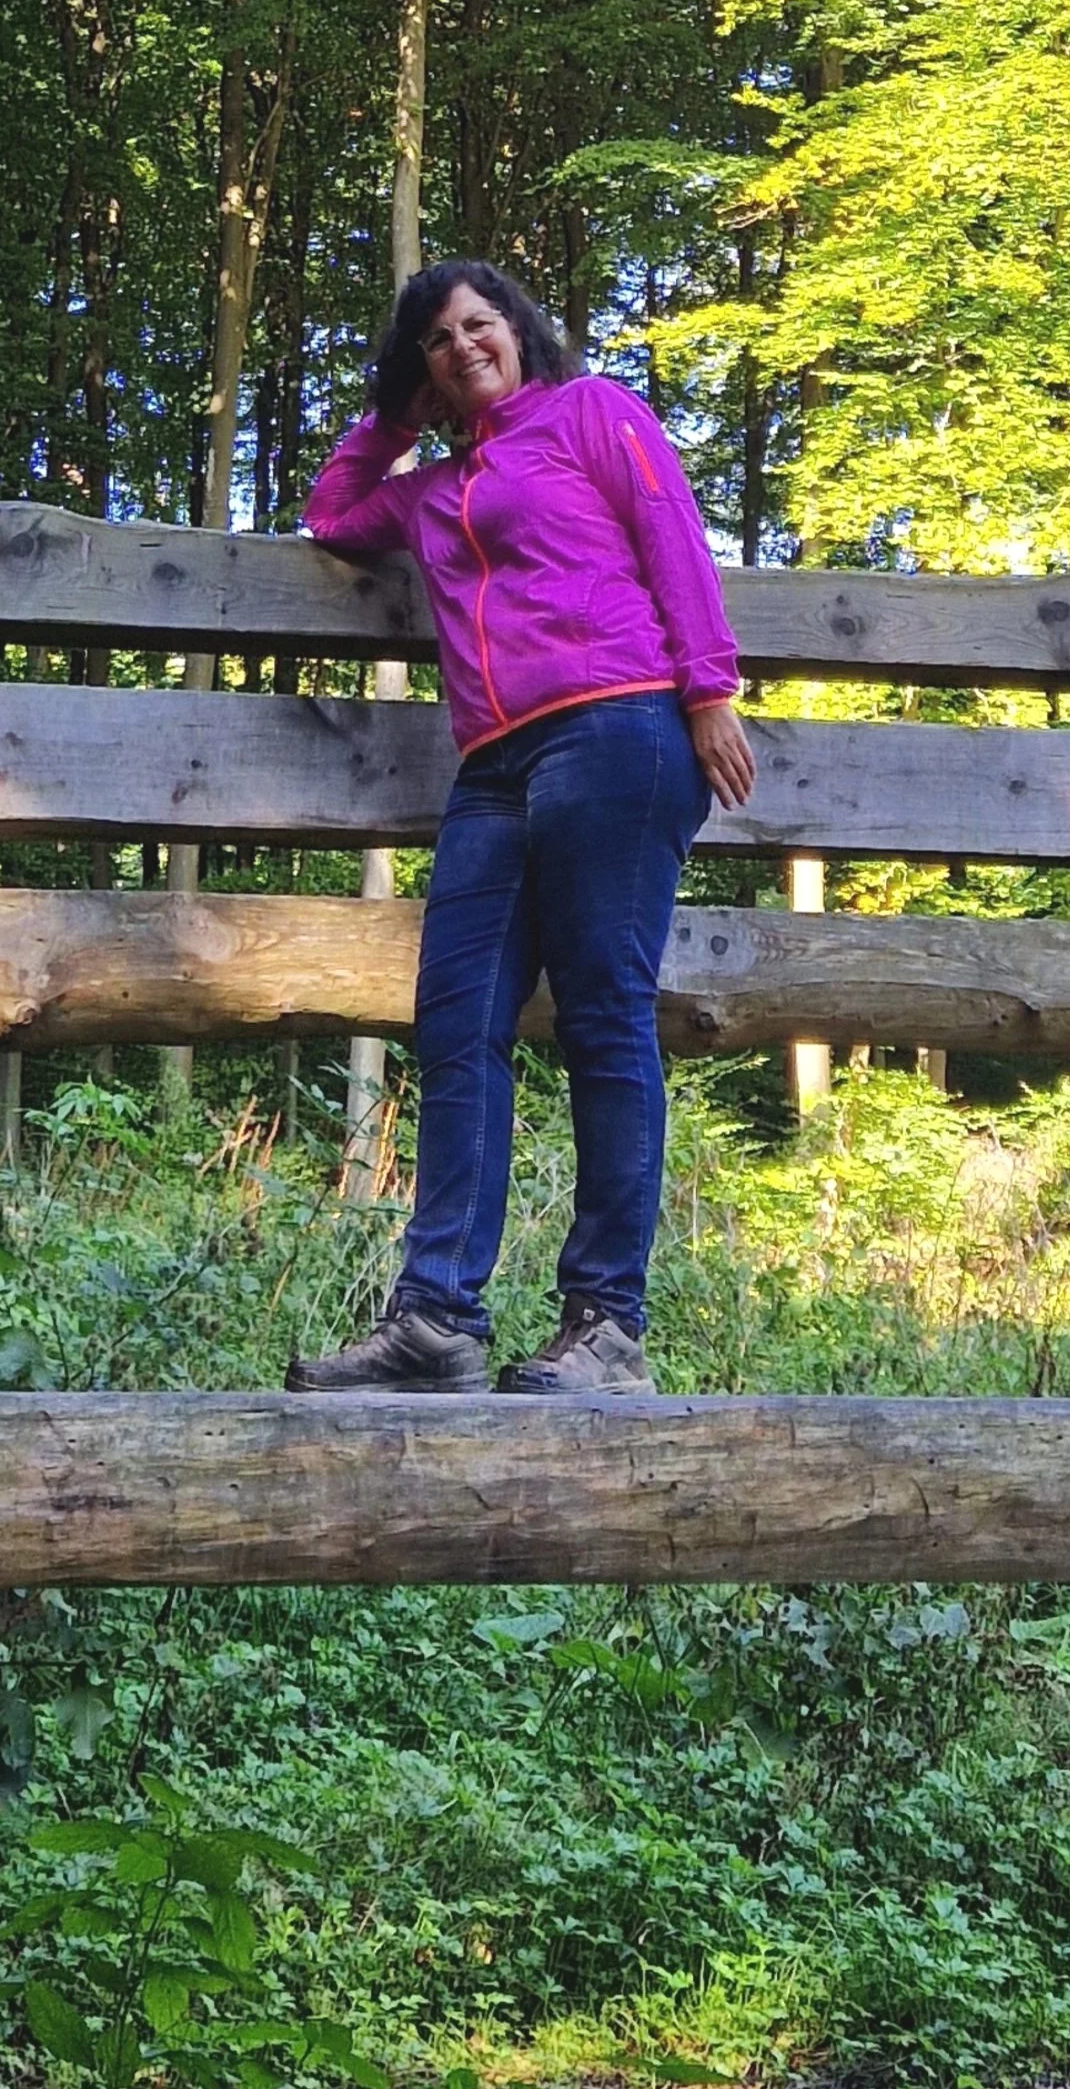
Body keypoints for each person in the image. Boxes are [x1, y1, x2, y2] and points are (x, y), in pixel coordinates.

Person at [285, 260, 755, 1396]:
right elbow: (334, 512)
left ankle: (607, 1328)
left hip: (618, 727)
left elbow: (669, 532)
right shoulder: (431, 491)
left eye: (477, 324)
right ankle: (436, 1319)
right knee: (456, 1024)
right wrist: (396, 413)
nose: (461, 346)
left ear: (519, 331)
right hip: (492, 764)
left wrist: (708, 689)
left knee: (603, 1014)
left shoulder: (592, 412)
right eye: (436, 340)